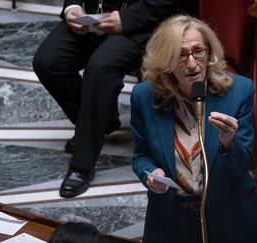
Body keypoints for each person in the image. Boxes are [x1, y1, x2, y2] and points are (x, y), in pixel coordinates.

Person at [130, 15, 257, 243]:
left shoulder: (239, 92)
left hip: (228, 213)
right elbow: (141, 155)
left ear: (209, 52)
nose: (192, 63)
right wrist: (150, 175)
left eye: (198, 51)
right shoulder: (144, 97)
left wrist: (228, 142)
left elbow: (242, 165)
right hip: (171, 216)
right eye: (181, 55)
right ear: (166, 60)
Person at [32, 0, 180, 198]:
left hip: (141, 24)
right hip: (91, 18)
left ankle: (82, 165)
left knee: (101, 67)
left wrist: (127, 19)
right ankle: (104, 120)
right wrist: (72, 7)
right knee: (48, 62)